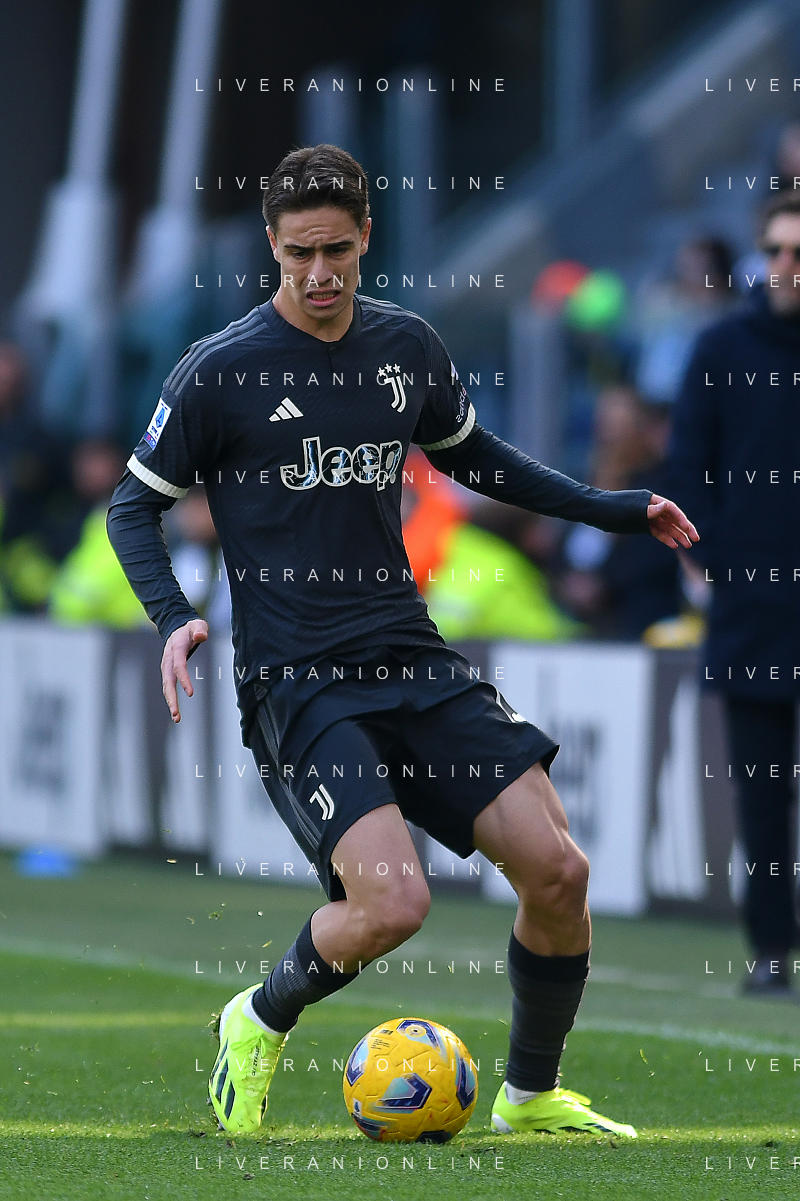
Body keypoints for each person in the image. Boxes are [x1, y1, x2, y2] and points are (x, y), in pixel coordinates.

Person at [107, 144, 697, 1136]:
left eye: (336, 250)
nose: (319, 273)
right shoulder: (220, 371)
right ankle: (259, 1015)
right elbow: (133, 506)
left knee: (559, 872)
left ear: (366, 238)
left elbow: (478, 458)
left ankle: (529, 1093)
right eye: (299, 253)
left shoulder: (405, 346)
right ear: (272, 246)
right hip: (299, 680)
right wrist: (174, 616)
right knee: (392, 905)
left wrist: (610, 507)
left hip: (411, 658)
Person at [669, 191, 800, 998]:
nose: (787, 265)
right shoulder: (721, 348)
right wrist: (715, 562)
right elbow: (688, 466)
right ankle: (772, 947)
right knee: (761, 792)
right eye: (777, 249)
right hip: (752, 610)